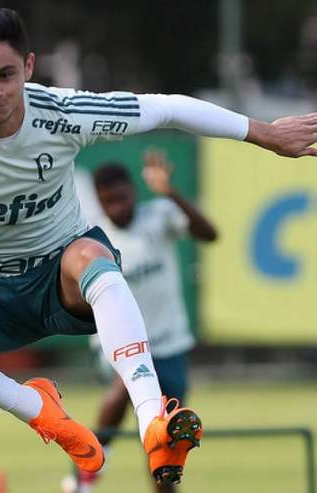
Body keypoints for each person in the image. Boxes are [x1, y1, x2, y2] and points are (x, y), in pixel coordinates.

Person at [0, 7, 317, 486]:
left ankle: (153, 422)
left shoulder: (62, 112)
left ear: (29, 68)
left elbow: (164, 108)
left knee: (91, 256)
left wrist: (261, 133)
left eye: (6, 75)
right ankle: (37, 409)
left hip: (62, 272)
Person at [72, 150, 217, 493]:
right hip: (118, 347)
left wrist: (171, 192)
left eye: (122, 198)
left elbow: (209, 234)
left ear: (133, 192)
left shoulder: (160, 215)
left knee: (168, 440)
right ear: (100, 202)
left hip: (169, 344)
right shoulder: (94, 238)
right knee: (128, 381)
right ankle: (90, 469)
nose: (117, 207)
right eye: (109, 202)